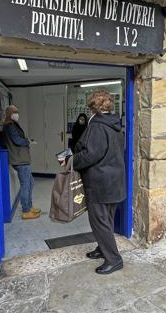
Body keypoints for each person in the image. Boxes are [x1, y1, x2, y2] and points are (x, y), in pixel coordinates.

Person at [66, 90, 126, 275]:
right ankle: (103, 248)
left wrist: (71, 160)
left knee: (99, 222)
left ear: (92, 107)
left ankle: (114, 259)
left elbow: (92, 154)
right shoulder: (114, 125)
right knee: (106, 220)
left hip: (100, 183)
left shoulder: (98, 126)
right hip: (113, 182)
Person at [3, 105, 41, 220]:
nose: (17, 114)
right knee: (25, 184)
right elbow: (17, 140)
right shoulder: (9, 126)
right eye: (15, 112)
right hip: (20, 160)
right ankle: (26, 210)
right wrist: (27, 141)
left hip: (22, 158)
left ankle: (29, 206)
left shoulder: (11, 125)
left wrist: (26, 140)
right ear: (10, 113)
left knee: (30, 182)